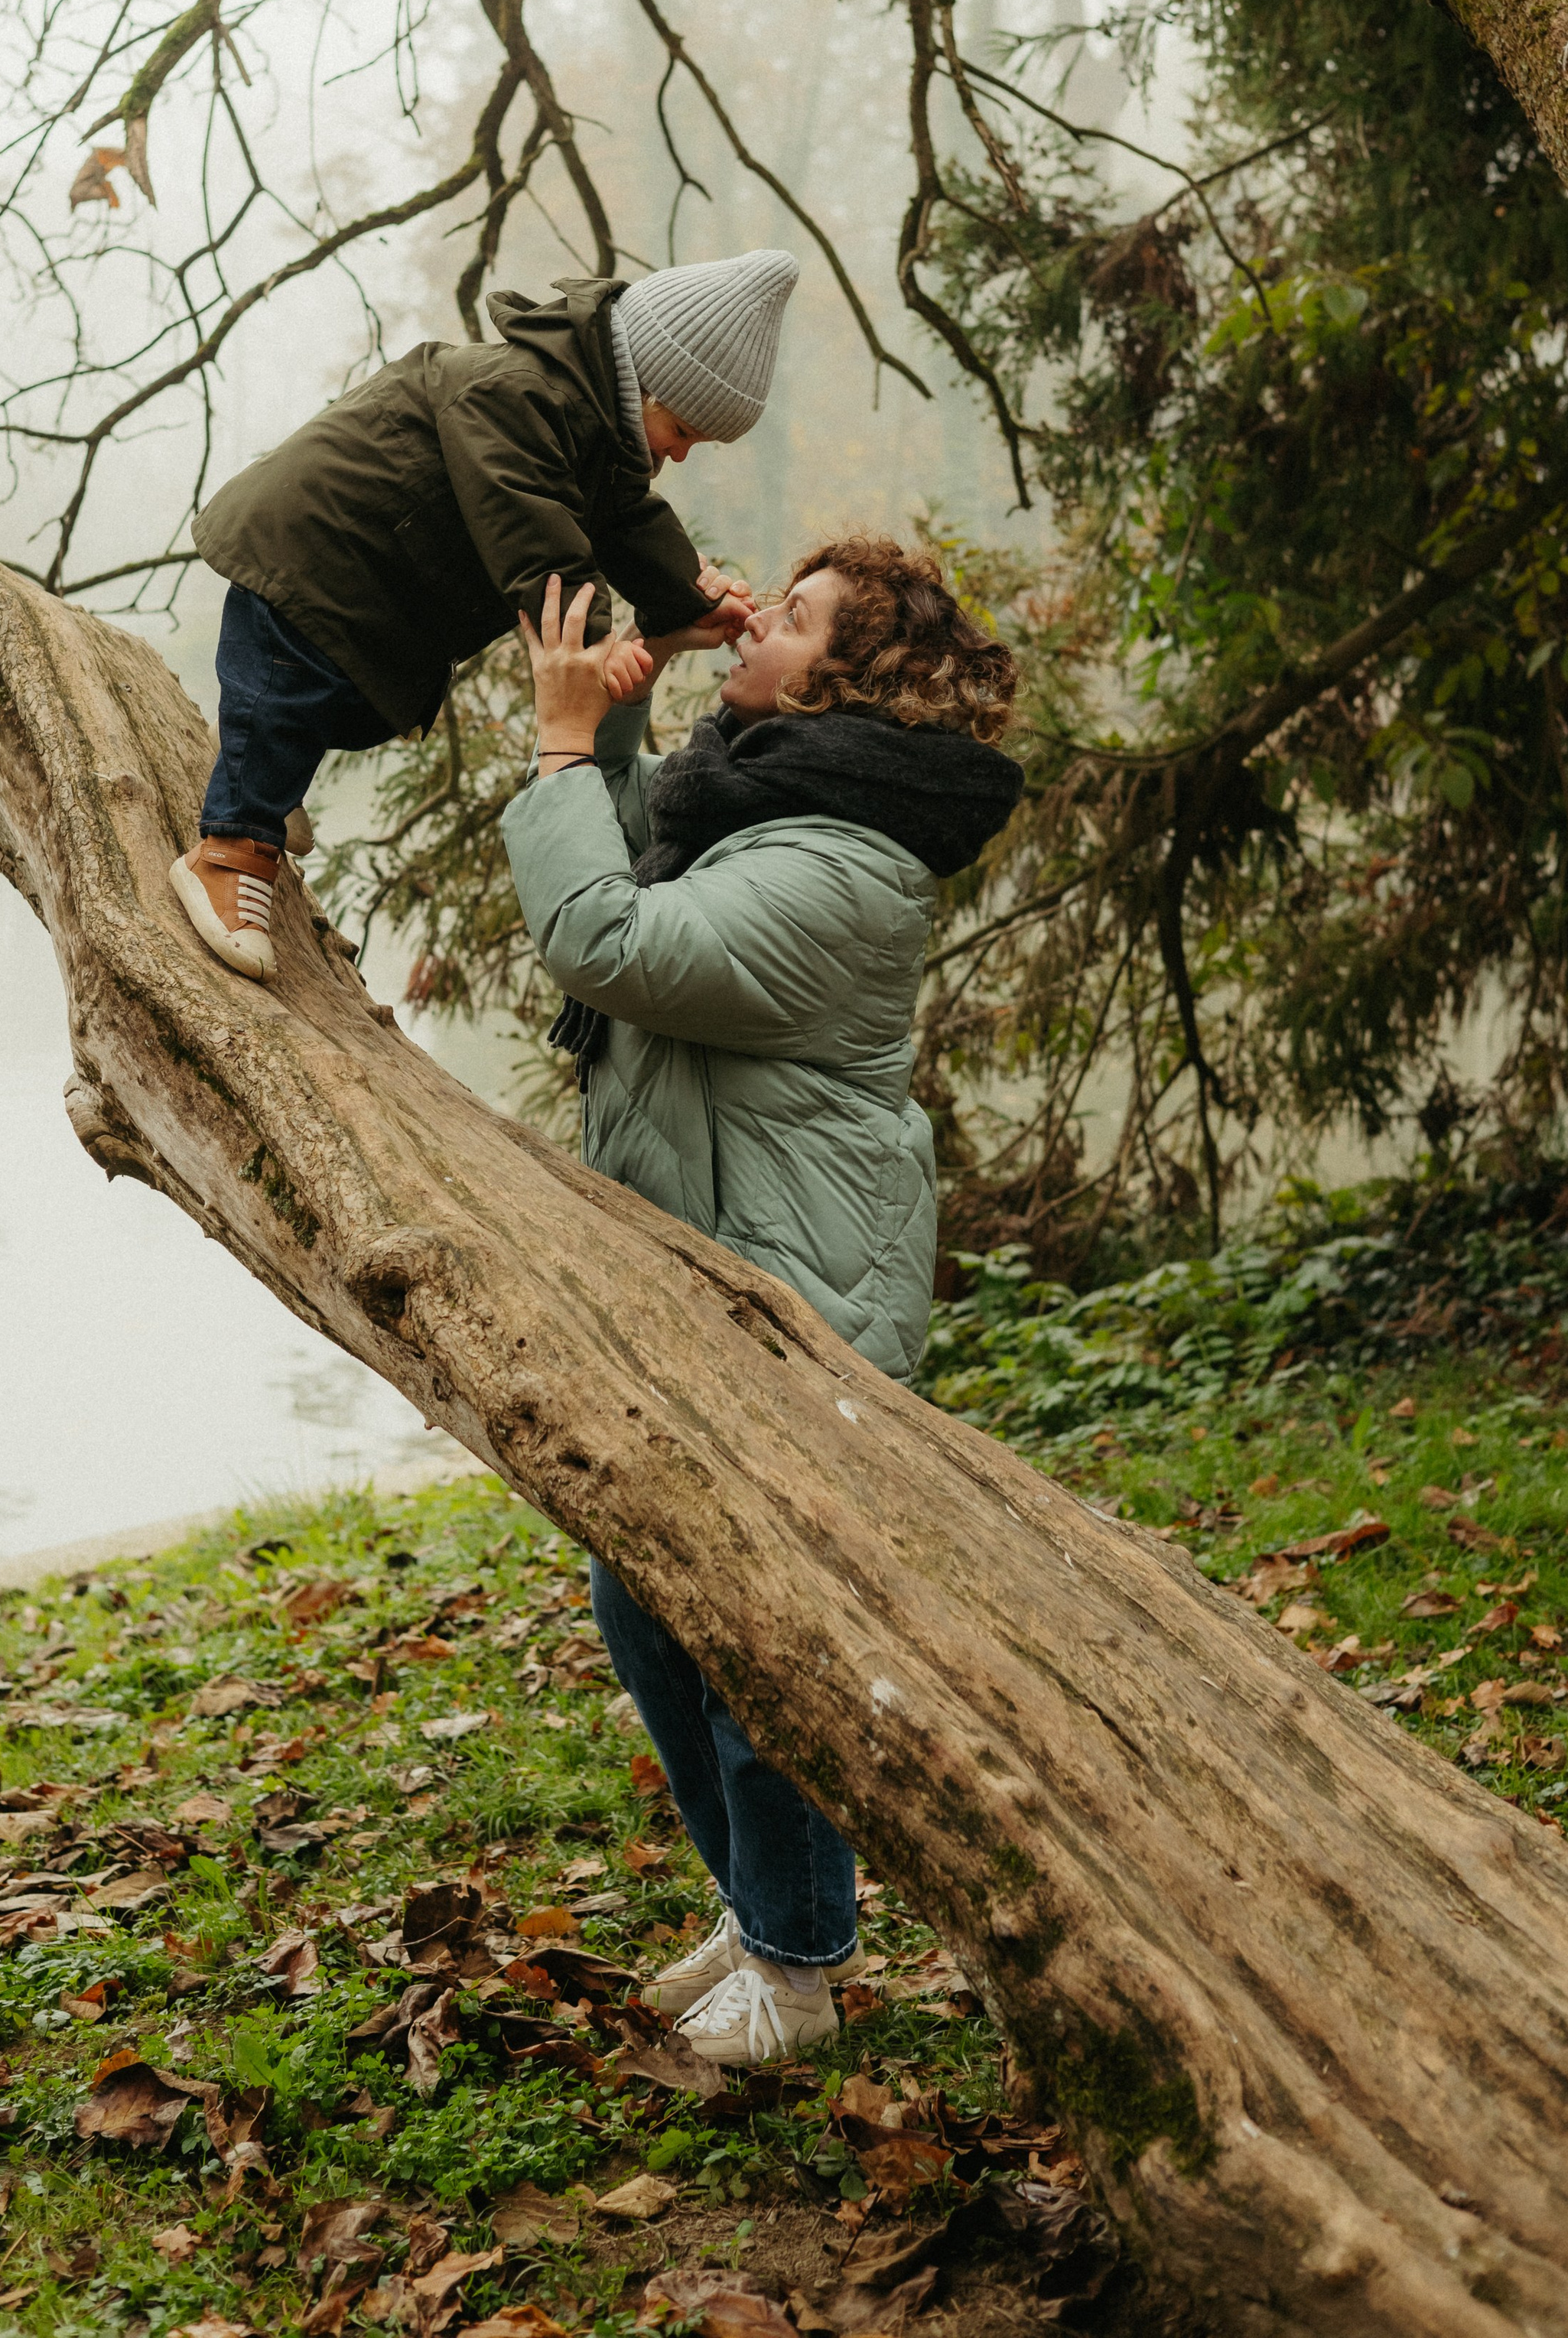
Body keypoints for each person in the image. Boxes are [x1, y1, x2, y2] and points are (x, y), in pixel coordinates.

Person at [502, 540, 1023, 2066]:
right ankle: (752, 1913)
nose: (752, 615)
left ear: (845, 681)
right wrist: (601, 725)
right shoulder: (759, 801)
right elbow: (618, 884)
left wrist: (545, 749)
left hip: (796, 1302)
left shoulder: (842, 866)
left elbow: (607, 944)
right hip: (716, 1283)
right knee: (642, 1596)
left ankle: (796, 1969)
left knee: (754, 1643)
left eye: (788, 619)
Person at [169, 250, 802, 979]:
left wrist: (687, 594)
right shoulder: (514, 394)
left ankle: (261, 770)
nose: (683, 457)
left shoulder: (594, 439)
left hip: (371, 590)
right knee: (290, 687)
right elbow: (530, 523)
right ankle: (230, 848)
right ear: (647, 383)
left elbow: (628, 522)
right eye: (686, 432)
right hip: (310, 557)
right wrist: (592, 648)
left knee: (353, 708)